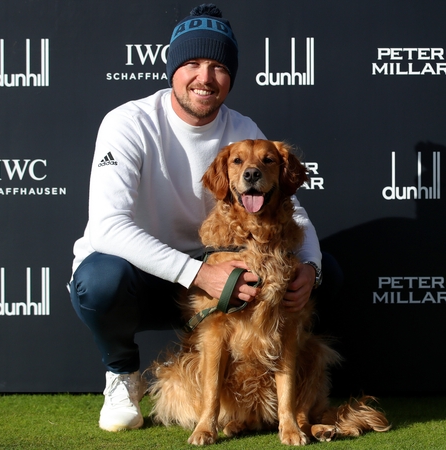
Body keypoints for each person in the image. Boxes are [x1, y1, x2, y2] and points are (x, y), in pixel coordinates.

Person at [68, 4, 323, 432]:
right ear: (172, 70)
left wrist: (311, 266)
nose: (205, 78)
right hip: (144, 277)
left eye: (218, 67)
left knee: (324, 269)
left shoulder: (242, 128)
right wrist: (197, 274)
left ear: (230, 78)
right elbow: (106, 227)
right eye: (192, 63)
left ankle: (266, 396)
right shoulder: (128, 123)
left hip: (221, 273)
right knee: (99, 280)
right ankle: (122, 374)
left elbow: (291, 208)